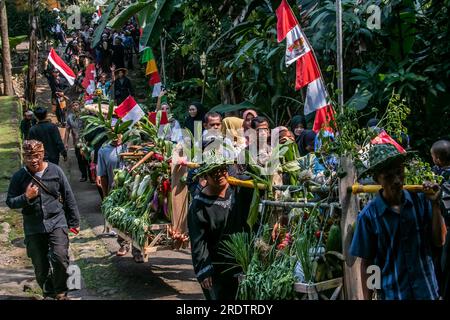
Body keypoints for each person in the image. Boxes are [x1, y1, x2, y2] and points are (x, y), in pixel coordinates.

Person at [350, 143, 447, 300]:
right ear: (377, 179)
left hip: (427, 292)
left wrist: (435, 204)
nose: (396, 180)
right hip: (393, 294)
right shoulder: (369, 217)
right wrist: (368, 297)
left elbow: (439, 241)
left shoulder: (420, 202)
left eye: (399, 172)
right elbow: (369, 264)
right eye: (388, 176)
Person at [6, 140, 80, 300]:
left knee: (60, 257)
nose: (33, 160)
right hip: (33, 226)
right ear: (23, 157)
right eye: (29, 157)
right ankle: (48, 292)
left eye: (36, 156)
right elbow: (10, 201)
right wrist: (26, 197)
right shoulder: (19, 177)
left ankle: (61, 292)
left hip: (56, 222)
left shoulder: (56, 171)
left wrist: (74, 222)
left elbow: (68, 196)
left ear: (43, 154)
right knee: (40, 265)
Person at [188, 157, 250, 300]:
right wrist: (204, 270)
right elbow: (198, 240)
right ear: (205, 176)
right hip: (217, 267)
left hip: (241, 262)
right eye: (214, 172)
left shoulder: (240, 188)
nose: (220, 175)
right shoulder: (199, 205)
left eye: (222, 170)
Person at [430, 139, 450, 300]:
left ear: (437, 159)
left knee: (443, 264)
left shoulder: (440, 177)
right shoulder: (439, 173)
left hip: (445, 225)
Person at [64, 101, 89, 182]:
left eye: (76, 105)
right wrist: (66, 143)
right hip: (77, 142)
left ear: (79, 105)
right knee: (79, 158)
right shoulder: (70, 117)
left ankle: (91, 176)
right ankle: (84, 175)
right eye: (73, 105)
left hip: (86, 141)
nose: (75, 107)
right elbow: (67, 130)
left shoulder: (84, 115)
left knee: (88, 159)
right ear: (71, 108)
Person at [44, 61, 69, 126]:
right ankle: (59, 120)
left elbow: (67, 87)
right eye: (54, 72)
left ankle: (64, 121)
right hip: (54, 96)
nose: (56, 73)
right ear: (52, 73)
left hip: (61, 96)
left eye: (57, 72)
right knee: (56, 109)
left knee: (63, 109)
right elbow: (45, 73)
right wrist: (46, 65)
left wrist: (63, 92)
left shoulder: (63, 79)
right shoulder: (51, 79)